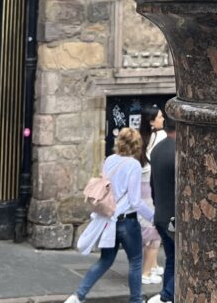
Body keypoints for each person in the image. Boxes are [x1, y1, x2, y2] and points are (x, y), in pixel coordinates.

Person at [65, 127, 153, 303]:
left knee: (105, 260)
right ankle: (136, 300)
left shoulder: (109, 160)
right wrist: (153, 217)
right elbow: (135, 201)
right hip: (127, 221)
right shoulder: (134, 165)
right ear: (137, 145)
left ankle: (77, 296)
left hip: (109, 220)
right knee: (136, 261)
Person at [148, 114, 176, 303]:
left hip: (161, 215)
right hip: (174, 218)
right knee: (182, 260)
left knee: (172, 259)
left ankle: (168, 297)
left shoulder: (157, 149)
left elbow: (152, 184)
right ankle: (166, 296)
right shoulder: (179, 151)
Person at [139, 105, 167, 286]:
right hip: (152, 185)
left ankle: (154, 264)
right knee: (154, 229)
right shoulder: (162, 137)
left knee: (146, 227)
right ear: (151, 121)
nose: (163, 119)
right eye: (159, 117)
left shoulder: (141, 138)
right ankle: (146, 272)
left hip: (141, 187)